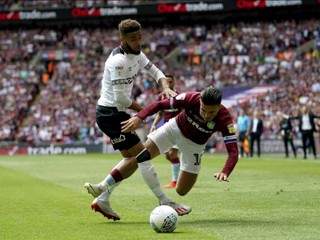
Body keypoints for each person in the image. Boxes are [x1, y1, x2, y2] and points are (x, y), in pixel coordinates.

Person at [83, 19, 191, 221]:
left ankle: (103, 195)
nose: (138, 42)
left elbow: (156, 71)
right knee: (143, 155)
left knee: (132, 159)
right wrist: (144, 111)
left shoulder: (137, 54)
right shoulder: (118, 62)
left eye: (140, 37)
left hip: (115, 114)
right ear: (122, 39)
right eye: (133, 39)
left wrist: (164, 86)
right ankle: (164, 200)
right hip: (110, 114)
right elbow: (121, 99)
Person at [121, 86, 239, 198]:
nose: (206, 115)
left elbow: (233, 152)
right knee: (140, 156)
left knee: (181, 191)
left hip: (195, 145)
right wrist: (140, 116)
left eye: (211, 112)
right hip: (175, 129)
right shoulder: (191, 98)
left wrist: (225, 171)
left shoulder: (225, 120)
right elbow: (160, 104)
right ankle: (106, 188)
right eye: (203, 110)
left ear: (219, 107)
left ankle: (181, 167)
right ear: (200, 102)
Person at [149, 74, 182, 188]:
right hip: (167, 129)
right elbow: (160, 113)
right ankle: (181, 169)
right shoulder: (161, 97)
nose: (168, 84)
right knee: (168, 155)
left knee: (172, 153)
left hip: (178, 129)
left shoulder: (179, 96)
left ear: (174, 83)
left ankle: (175, 181)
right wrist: (154, 125)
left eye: (170, 82)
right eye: (166, 82)